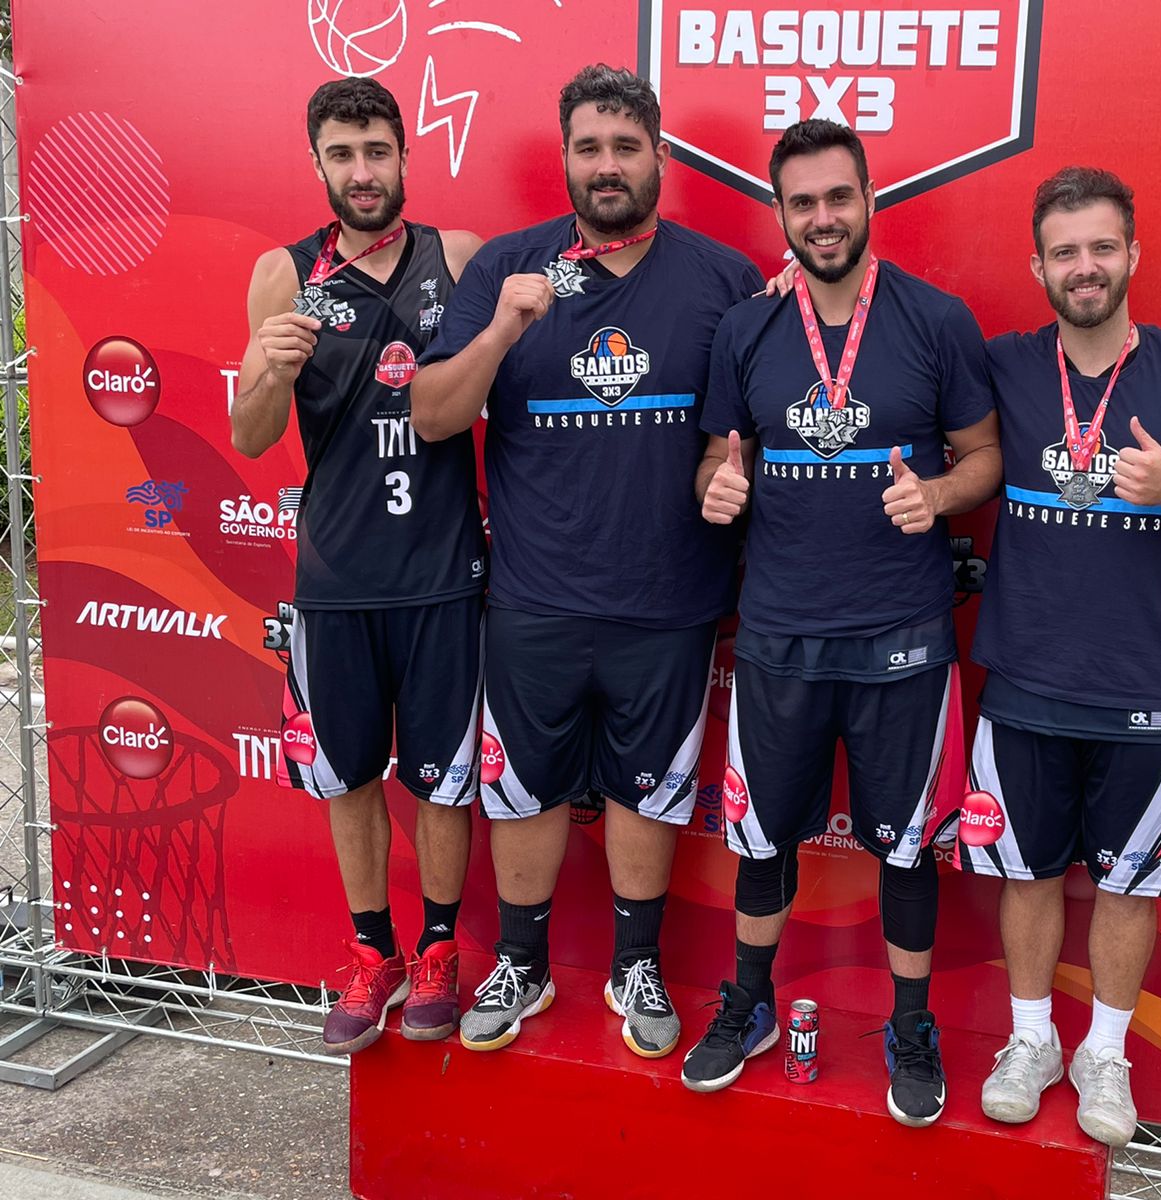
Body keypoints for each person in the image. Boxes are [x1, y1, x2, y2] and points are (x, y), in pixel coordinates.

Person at [409, 65, 763, 1058]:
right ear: (564, 160)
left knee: (647, 789)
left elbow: (738, 435)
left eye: (625, 146)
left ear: (660, 157)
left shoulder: (723, 278)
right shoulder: (508, 271)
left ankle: (634, 964)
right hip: (534, 593)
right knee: (521, 785)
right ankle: (520, 963)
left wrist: (718, 476)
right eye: (588, 148)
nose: (607, 166)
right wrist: (503, 327)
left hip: (670, 596)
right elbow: (434, 416)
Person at [684, 119, 1001, 1128]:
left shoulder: (937, 321)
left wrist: (941, 497)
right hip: (777, 632)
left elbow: (984, 456)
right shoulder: (747, 329)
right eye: (802, 202)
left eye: (837, 197)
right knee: (762, 837)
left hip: (903, 636)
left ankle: (911, 1024)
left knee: (905, 848)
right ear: (780, 215)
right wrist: (715, 487)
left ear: (870, 200)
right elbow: (714, 458)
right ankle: (749, 1002)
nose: (822, 218)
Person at [967, 167, 1161, 1145]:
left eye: (1102, 247)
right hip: (1021, 675)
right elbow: (884, 354)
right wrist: (791, 290)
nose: (1084, 267)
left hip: (1145, 687)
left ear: (1132, 255)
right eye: (1065, 252)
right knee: (1025, 875)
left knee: (1130, 882)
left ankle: (1103, 1052)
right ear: (1038, 267)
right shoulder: (1003, 365)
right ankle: (1030, 1040)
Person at [230, 78, 487, 1053]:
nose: (363, 171)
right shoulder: (281, 274)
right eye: (343, 155)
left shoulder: (452, 257)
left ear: (405, 155)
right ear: (319, 165)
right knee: (345, 776)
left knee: (442, 780)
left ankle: (437, 947)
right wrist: (273, 365)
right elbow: (252, 437)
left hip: (441, 573)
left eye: (377, 151)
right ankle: (370, 950)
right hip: (335, 578)